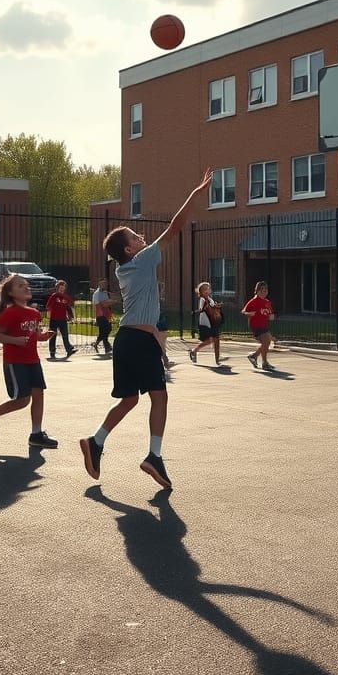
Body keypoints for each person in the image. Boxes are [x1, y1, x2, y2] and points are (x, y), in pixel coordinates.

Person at [80, 167, 213, 488]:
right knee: (160, 397)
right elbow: (176, 226)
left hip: (129, 339)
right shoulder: (142, 259)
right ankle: (154, 456)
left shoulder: (125, 266)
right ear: (129, 249)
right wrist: (196, 193)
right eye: (136, 238)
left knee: (130, 400)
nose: (142, 238)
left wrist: (157, 340)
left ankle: (95, 442)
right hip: (137, 341)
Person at [0, 275, 58, 450]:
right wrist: (15, 340)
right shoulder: (9, 313)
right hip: (15, 362)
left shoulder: (33, 313)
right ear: (10, 293)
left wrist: (42, 336)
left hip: (33, 360)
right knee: (22, 401)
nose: (26, 288)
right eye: (20, 286)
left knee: (39, 394)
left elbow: (34, 334)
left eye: (26, 285)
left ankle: (36, 434)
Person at [242, 281, 275, 371]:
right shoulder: (253, 301)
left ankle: (254, 356)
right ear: (257, 291)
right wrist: (249, 313)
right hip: (256, 325)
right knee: (266, 341)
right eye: (262, 291)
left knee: (267, 343)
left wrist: (271, 316)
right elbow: (244, 311)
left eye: (265, 291)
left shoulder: (267, 302)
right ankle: (265, 363)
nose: (264, 293)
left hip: (264, 325)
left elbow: (270, 313)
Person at [189, 281, 222, 366]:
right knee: (209, 340)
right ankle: (194, 350)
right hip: (205, 323)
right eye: (205, 289)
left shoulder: (210, 299)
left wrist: (216, 306)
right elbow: (201, 308)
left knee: (216, 340)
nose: (207, 290)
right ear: (201, 292)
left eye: (208, 288)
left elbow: (213, 308)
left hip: (213, 322)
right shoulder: (202, 299)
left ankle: (217, 360)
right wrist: (209, 307)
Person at [45, 280, 76, 359]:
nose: (62, 289)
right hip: (54, 319)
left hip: (62, 319)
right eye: (60, 288)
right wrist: (49, 313)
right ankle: (52, 352)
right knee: (53, 335)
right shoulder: (54, 296)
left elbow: (68, 307)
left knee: (65, 335)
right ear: (57, 288)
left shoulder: (66, 297)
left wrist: (70, 316)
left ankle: (68, 349)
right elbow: (48, 306)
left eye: (63, 288)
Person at [92, 278, 113, 356]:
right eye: (103, 283)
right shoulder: (96, 293)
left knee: (105, 331)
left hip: (106, 313)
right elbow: (96, 304)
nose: (105, 285)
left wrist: (110, 302)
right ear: (99, 284)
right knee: (106, 329)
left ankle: (96, 344)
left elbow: (107, 303)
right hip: (100, 314)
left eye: (105, 284)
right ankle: (107, 347)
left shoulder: (105, 293)